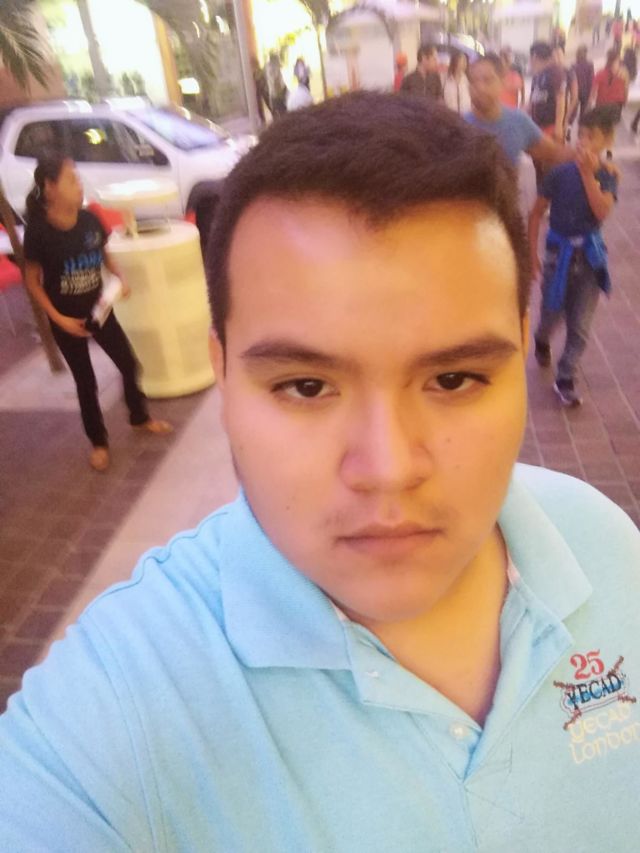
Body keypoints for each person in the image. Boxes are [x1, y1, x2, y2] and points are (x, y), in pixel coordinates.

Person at [2, 93, 640, 850]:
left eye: (455, 378)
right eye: (306, 386)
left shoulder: (603, 542)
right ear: (223, 377)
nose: (389, 469)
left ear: (521, 340)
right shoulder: (115, 713)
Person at [22, 154, 172, 472]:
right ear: (50, 187)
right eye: (71, 180)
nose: (79, 185)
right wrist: (59, 319)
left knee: (129, 364)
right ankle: (99, 442)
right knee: (86, 382)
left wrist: (119, 277)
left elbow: (105, 256)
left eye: (77, 178)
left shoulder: (90, 220)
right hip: (67, 320)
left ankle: (139, 417)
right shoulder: (39, 232)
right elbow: (32, 281)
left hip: (99, 310)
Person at [530, 106, 619, 407]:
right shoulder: (559, 173)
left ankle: (565, 376)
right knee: (551, 314)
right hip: (558, 255)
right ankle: (542, 338)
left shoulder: (607, 175)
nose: (583, 142)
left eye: (591, 137)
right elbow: (536, 212)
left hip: (590, 258)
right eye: (580, 135)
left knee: (580, 326)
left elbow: (601, 211)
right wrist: (532, 252)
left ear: (607, 141)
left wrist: (588, 175)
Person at [466, 53, 571, 168]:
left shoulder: (517, 121)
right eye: (473, 81)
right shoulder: (459, 126)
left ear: (502, 83)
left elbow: (554, 152)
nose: (480, 88)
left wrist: (582, 153)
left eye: (488, 80)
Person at [530, 41, 567, 143]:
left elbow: (561, 98)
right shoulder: (539, 74)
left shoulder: (555, 72)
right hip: (539, 125)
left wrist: (558, 126)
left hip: (550, 126)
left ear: (534, 56)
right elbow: (535, 98)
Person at [591, 48, 628, 122]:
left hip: (602, 104)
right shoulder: (624, 73)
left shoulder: (600, 73)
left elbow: (593, 92)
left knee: (601, 125)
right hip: (616, 106)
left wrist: (591, 103)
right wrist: (625, 101)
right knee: (611, 125)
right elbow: (626, 89)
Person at [553, 45, 579, 139]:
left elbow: (574, 96)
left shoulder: (569, 72)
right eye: (554, 56)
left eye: (559, 55)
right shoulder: (549, 72)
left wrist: (567, 118)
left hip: (564, 111)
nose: (557, 59)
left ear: (563, 56)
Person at [443, 49, 471, 114]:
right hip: (450, 114)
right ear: (455, 61)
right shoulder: (445, 79)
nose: (465, 63)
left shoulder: (467, 79)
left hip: (465, 115)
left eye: (465, 61)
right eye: (462, 60)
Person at [572, 45, 595, 123]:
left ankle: (569, 125)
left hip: (575, 91)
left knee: (573, 111)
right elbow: (591, 80)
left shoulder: (574, 65)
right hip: (586, 91)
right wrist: (592, 94)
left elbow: (571, 80)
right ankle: (581, 124)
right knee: (584, 112)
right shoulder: (590, 64)